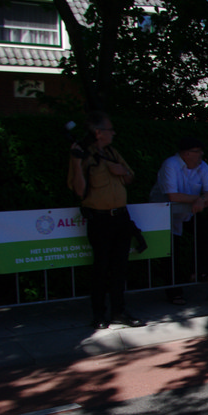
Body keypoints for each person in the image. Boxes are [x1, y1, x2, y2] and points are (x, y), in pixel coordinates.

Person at [67, 111, 142, 329]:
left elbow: (130, 177)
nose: (113, 133)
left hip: (121, 217)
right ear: (98, 132)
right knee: (101, 268)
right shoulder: (83, 155)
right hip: (100, 220)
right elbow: (79, 191)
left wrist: (121, 171)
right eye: (110, 129)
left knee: (120, 267)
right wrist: (76, 162)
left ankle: (119, 311)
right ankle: (98, 314)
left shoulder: (112, 152)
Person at [149, 136, 208, 304]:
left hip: (188, 211)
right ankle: (174, 292)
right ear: (186, 154)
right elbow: (173, 196)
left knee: (205, 232)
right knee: (171, 252)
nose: (201, 154)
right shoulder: (170, 165)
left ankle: (200, 271)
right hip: (165, 214)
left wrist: (201, 199)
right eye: (197, 151)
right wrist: (199, 199)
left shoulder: (203, 166)